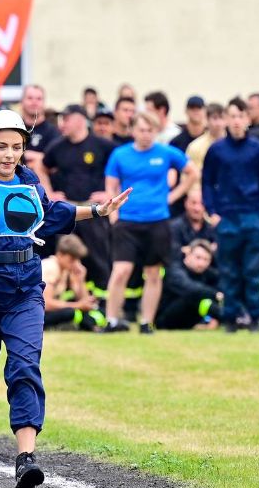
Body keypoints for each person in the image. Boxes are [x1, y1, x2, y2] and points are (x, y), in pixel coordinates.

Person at [0, 110, 130, 488]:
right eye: (2, 146)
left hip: (25, 289)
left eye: (17, 147)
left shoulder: (30, 184)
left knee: (24, 367)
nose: (9, 154)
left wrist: (99, 210)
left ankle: (26, 458)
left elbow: (53, 212)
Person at [102, 111, 195, 333]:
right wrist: (113, 215)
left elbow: (192, 173)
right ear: (133, 130)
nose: (146, 135)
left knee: (153, 272)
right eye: (142, 130)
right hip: (127, 221)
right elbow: (110, 185)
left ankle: (146, 322)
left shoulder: (166, 153)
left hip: (157, 221)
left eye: (150, 130)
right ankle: (112, 320)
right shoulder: (120, 154)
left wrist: (173, 196)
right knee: (121, 270)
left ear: (156, 131)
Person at [202, 97, 259, 332]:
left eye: (240, 116)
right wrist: (213, 212)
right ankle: (231, 317)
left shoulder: (257, 150)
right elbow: (207, 183)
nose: (236, 121)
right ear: (226, 119)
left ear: (247, 119)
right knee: (229, 270)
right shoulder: (216, 151)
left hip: (251, 216)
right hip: (227, 218)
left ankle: (255, 316)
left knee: (253, 269)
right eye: (232, 116)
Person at [40, 104, 116, 296]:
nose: (62, 124)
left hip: (94, 211)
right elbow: (41, 166)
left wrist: (109, 193)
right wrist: (49, 193)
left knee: (98, 258)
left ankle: (102, 301)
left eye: (66, 119)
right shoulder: (57, 147)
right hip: (68, 212)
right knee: (67, 257)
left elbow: (121, 167)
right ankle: (68, 302)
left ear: (80, 119)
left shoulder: (102, 145)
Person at [155, 240, 222, 330]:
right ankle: (227, 317)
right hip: (165, 318)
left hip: (188, 319)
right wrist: (216, 294)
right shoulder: (175, 269)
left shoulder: (208, 273)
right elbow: (191, 289)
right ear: (188, 254)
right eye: (198, 257)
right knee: (195, 296)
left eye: (206, 259)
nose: (201, 263)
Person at [42, 235, 102, 330]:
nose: (76, 263)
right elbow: (46, 304)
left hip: (47, 311)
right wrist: (77, 305)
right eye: (72, 259)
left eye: (77, 259)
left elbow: (82, 299)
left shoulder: (65, 269)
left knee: (98, 310)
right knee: (70, 312)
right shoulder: (51, 267)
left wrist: (81, 278)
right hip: (36, 313)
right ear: (60, 254)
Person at [185, 102, 227, 189]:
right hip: (203, 194)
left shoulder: (235, 144)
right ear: (207, 120)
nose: (218, 123)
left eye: (221, 118)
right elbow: (187, 175)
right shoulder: (195, 146)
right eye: (215, 118)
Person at [20, 84, 61, 172]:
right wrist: (39, 157)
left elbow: (55, 161)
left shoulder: (53, 132)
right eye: (30, 98)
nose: (34, 102)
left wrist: (25, 155)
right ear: (22, 101)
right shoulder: (14, 129)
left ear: (44, 103)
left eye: (39, 99)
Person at [170, 190, 218, 254]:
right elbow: (173, 253)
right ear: (186, 203)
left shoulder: (211, 228)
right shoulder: (174, 227)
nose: (197, 208)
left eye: (202, 204)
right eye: (193, 203)